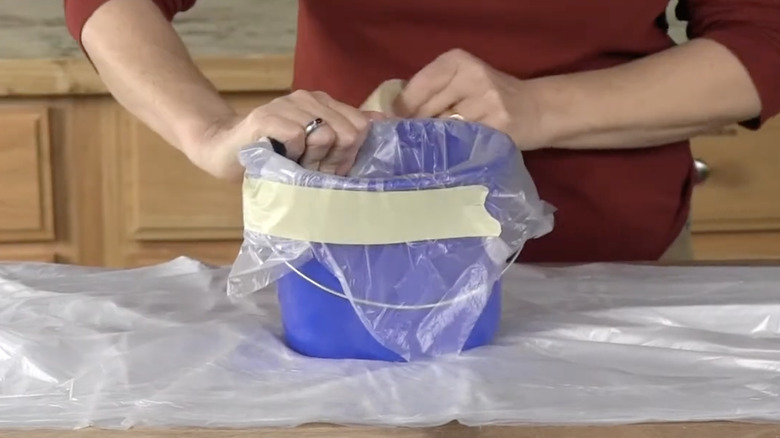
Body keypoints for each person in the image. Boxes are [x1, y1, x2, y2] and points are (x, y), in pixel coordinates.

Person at [63, 0, 780, 263]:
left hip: (612, 259)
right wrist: (212, 132)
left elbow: (764, 40)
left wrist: (535, 108)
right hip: (351, 256)